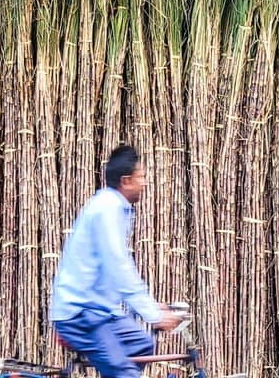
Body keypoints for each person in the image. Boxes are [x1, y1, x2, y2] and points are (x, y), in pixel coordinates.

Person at [49, 145, 182, 378]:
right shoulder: (106, 210)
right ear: (126, 181)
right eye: (141, 177)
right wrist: (153, 314)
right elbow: (118, 267)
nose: (145, 183)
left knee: (141, 345)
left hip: (102, 313)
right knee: (125, 373)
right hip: (81, 314)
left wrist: (151, 307)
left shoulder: (116, 208)